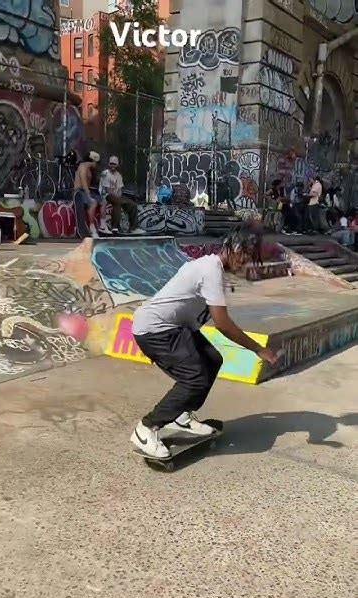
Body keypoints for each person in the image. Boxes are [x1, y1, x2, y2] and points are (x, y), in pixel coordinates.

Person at [130, 222, 280, 459]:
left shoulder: (215, 270)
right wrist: (257, 349)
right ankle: (147, 427)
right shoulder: (210, 269)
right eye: (244, 257)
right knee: (195, 378)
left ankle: (181, 416)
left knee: (211, 359)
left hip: (173, 328)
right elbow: (222, 324)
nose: (244, 264)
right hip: (156, 330)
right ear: (234, 247)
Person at [100, 156, 145, 235]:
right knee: (117, 202)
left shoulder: (118, 175)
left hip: (117, 196)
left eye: (114, 164)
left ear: (117, 165)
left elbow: (120, 190)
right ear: (108, 164)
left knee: (132, 204)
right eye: (111, 164)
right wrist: (119, 198)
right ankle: (115, 227)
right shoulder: (105, 173)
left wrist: (120, 197)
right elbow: (108, 190)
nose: (113, 166)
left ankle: (133, 228)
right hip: (106, 195)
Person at [74, 151, 111, 239]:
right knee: (93, 203)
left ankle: (102, 225)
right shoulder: (83, 166)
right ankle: (92, 228)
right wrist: (89, 196)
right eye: (96, 163)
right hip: (79, 191)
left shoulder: (90, 169)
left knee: (103, 202)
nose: (97, 165)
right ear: (93, 161)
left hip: (87, 190)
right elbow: (83, 182)